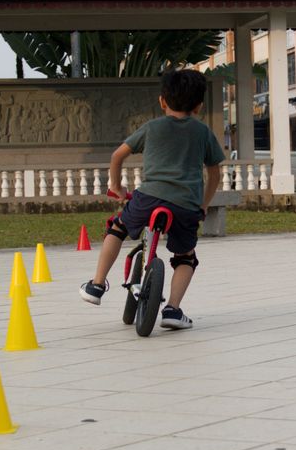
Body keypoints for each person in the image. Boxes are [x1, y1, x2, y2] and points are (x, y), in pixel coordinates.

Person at [80, 69, 225, 328]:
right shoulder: (203, 133)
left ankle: (97, 285)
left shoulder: (151, 128)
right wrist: (202, 205)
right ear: (199, 105)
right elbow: (214, 174)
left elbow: (117, 156)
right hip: (186, 206)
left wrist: (117, 187)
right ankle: (172, 310)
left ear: (162, 101)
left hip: (148, 198)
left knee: (118, 227)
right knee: (186, 257)